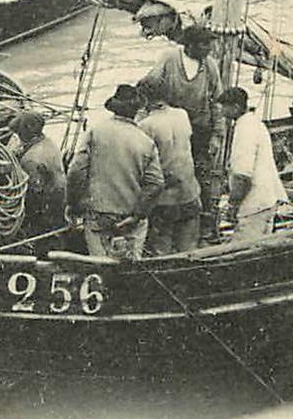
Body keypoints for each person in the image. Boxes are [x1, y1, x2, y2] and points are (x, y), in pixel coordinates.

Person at [134, 24, 223, 233]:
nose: (209, 49)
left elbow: (217, 102)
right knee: (167, 172)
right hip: (170, 126)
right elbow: (148, 86)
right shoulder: (169, 58)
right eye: (204, 45)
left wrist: (217, 135)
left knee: (203, 173)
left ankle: (206, 223)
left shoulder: (210, 66)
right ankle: (163, 216)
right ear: (189, 45)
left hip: (200, 130)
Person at [66, 85, 164, 259]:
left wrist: (74, 205)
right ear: (137, 110)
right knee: (129, 267)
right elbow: (156, 184)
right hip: (129, 218)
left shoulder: (95, 132)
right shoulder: (145, 141)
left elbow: (76, 172)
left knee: (100, 264)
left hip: (98, 214)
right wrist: (138, 214)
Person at [137, 87, 199, 255]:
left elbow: (141, 161)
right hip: (189, 191)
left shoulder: (145, 125)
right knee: (189, 249)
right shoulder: (182, 114)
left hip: (164, 199)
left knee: (161, 249)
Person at [219, 86, 286, 239]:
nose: (222, 112)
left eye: (224, 107)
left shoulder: (245, 129)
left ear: (235, 107)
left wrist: (233, 205)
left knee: (242, 248)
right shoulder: (255, 123)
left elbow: (243, 176)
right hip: (267, 199)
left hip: (255, 204)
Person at [7, 111, 67, 237]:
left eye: (19, 133)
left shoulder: (30, 160)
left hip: (46, 211)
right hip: (60, 201)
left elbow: (33, 196)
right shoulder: (49, 143)